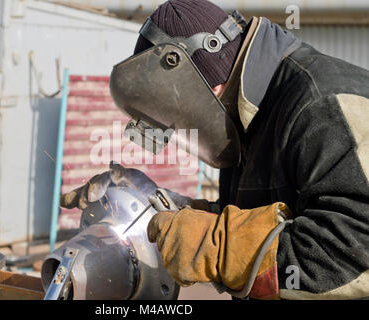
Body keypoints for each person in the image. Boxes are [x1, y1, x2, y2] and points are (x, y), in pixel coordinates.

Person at [61, 0, 369, 300]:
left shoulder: (323, 104)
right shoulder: (247, 114)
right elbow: (258, 222)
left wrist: (217, 246)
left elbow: (354, 251)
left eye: (176, 119)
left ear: (203, 85)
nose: (182, 132)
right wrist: (154, 206)